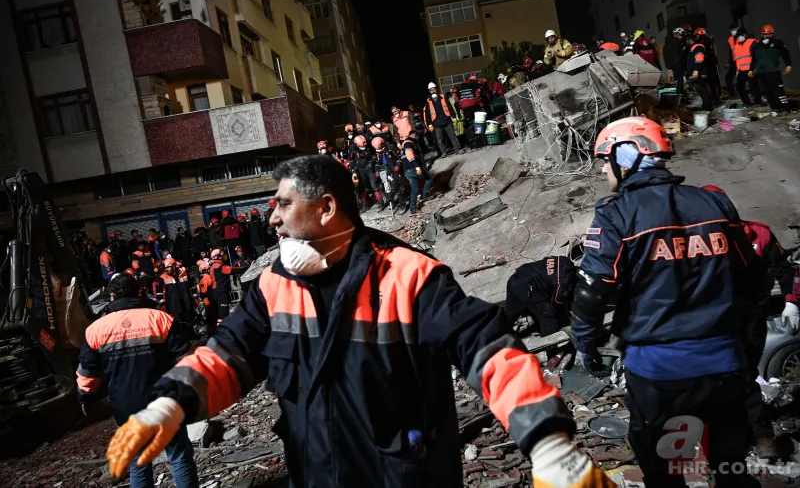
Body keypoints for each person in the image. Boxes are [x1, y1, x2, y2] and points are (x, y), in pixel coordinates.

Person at [105, 155, 613, 488]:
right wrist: (169, 404)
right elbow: (225, 356)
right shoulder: (274, 287)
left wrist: (547, 441)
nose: (273, 220)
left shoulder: (408, 274)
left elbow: (487, 347)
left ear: (326, 208)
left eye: (283, 205)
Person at [571, 116, 771, 487]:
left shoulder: (616, 214)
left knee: (667, 468)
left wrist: (585, 343)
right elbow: (755, 278)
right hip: (724, 364)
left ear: (627, 155)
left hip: (660, 373)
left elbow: (592, 288)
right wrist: (742, 330)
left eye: (605, 159)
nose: (602, 168)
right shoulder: (714, 203)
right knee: (730, 463)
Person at [702, 184, 800, 460]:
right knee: (725, 382)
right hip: (711, 324)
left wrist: (792, 304)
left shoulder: (759, 234)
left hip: (743, 322)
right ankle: (747, 437)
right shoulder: (692, 241)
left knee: (740, 378)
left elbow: (785, 270)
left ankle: (756, 438)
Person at [77, 274, 198, 488]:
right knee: (179, 457)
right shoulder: (160, 318)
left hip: (126, 407)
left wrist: (86, 398)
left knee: (138, 463)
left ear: (112, 296)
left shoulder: (95, 330)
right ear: (138, 292)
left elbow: (88, 375)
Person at [505, 251, 580, 337]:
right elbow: (556, 302)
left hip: (516, 278)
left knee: (510, 314)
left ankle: (492, 334)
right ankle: (553, 345)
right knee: (549, 318)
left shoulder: (564, 261)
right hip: (529, 287)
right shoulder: (564, 283)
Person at [751, 24, 792, 113]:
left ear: (772, 34)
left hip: (773, 72)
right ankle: (775, 107)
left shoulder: (778, 43)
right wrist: (752, 69)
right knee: (766, 91)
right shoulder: (758, 46)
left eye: (769, 34)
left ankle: (784, 107)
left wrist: (788, 65)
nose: (767, 36)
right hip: (761, 73)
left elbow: (785, 54)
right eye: (765, 34)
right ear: (762, 34)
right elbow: (754, 59)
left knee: (778, 90)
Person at [422, 86, 461, 157]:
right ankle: (444, 153)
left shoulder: (443, 97)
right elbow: (428, 114)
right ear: (429, 91)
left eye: (434, 89)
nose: (433, 91)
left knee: (452, 136)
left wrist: (453, 116)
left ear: (436, 90)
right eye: (431, 90)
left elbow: (449, 107)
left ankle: (457, 150)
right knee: (439, 139)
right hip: (436, 123)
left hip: (447, 120)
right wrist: (430, 124)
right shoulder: (428, 101)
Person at [349, 134, 384, 211]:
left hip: (370, 167)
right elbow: (351, 160)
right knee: (362, 186)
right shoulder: (352, 148)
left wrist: (371, 163)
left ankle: (380, 201)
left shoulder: (369, 145)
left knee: (374, 184)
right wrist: (353, 169)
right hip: (359, 169)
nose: (363, 148)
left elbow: (375, 154)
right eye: (361, 146)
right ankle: (364, 204)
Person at [401, 131, 433, 214]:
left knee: (414, 190)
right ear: (415, 136)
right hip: (413, 169)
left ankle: (412, 208)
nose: (418, 139)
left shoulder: (405, 144)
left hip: (407, 171)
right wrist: (417, 167)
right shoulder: (409, 143)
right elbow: (410, 156)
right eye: (417, 137)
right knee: (429, 178)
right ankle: (425, 195)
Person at [731, 28, 761, 106]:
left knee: (753, 86)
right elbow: (738, 59)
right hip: (741, 70)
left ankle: (757, 102)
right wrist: (737, 71)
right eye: (738, 36)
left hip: (751, 69)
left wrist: (754, 68)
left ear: (745, 34)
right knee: (739, 87)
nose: (740, 37)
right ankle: (747, 102)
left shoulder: (752, 42)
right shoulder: (737, 46)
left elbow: (756, 56)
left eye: (741, 35)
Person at [685, 30, 713, 111]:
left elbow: (699, 58)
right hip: (697, 72)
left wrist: (696, 70)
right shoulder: (695, 47)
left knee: (703, 90)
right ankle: (706, 106)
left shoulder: (698, 46)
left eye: (687, 40)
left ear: (690, 40)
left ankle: (708, 107)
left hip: (699, 73)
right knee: (701, 91)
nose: (687, 42)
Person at [664, 27, 688, 94]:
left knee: (671, 80)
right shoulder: (677, 41)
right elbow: (680, 51)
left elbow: (665, 56)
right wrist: (684, 49)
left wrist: (667, 66)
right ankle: (679, 95)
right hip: (678, 64)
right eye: (681, 35)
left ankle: (672, 95)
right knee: (680, 79)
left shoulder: (666, 45)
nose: (682, 37)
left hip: (669, 66)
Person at [196, 261, 217, 336]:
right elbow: (203, 293)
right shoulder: (206, 278)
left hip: (211, 301)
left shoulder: (206, 277)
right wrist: (208, 304)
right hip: (210, 302)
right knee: (211, 319)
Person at [726, 23, 741, 98]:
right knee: (728, 77)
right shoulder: (730, 39)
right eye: (731, 30)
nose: (733, 31)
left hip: (743, 61)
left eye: (734, 29)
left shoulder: (742, 37)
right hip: (734, 61)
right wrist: (730, 62)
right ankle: (733, 94)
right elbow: (730, 51)